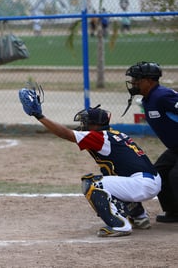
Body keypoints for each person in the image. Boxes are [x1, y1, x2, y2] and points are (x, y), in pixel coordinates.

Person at [18, 86, 161, 237]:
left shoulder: (99, 137)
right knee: (110, 176)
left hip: (142, 184)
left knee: (93, 184)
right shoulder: (114, 134)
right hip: (149, 180)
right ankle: (139, 217)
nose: (83, 125)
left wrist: (39, 116)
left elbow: (66, 134)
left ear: (95, 125)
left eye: (86, 122)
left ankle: (120, 226)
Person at [125, 61, 178, 223]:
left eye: (137, 80)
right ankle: (174, 212)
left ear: (149, 81)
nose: (133, 83)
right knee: (159, 174)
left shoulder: (163, 96)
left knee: (176, 176)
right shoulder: (148, 99)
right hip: (175, 147)